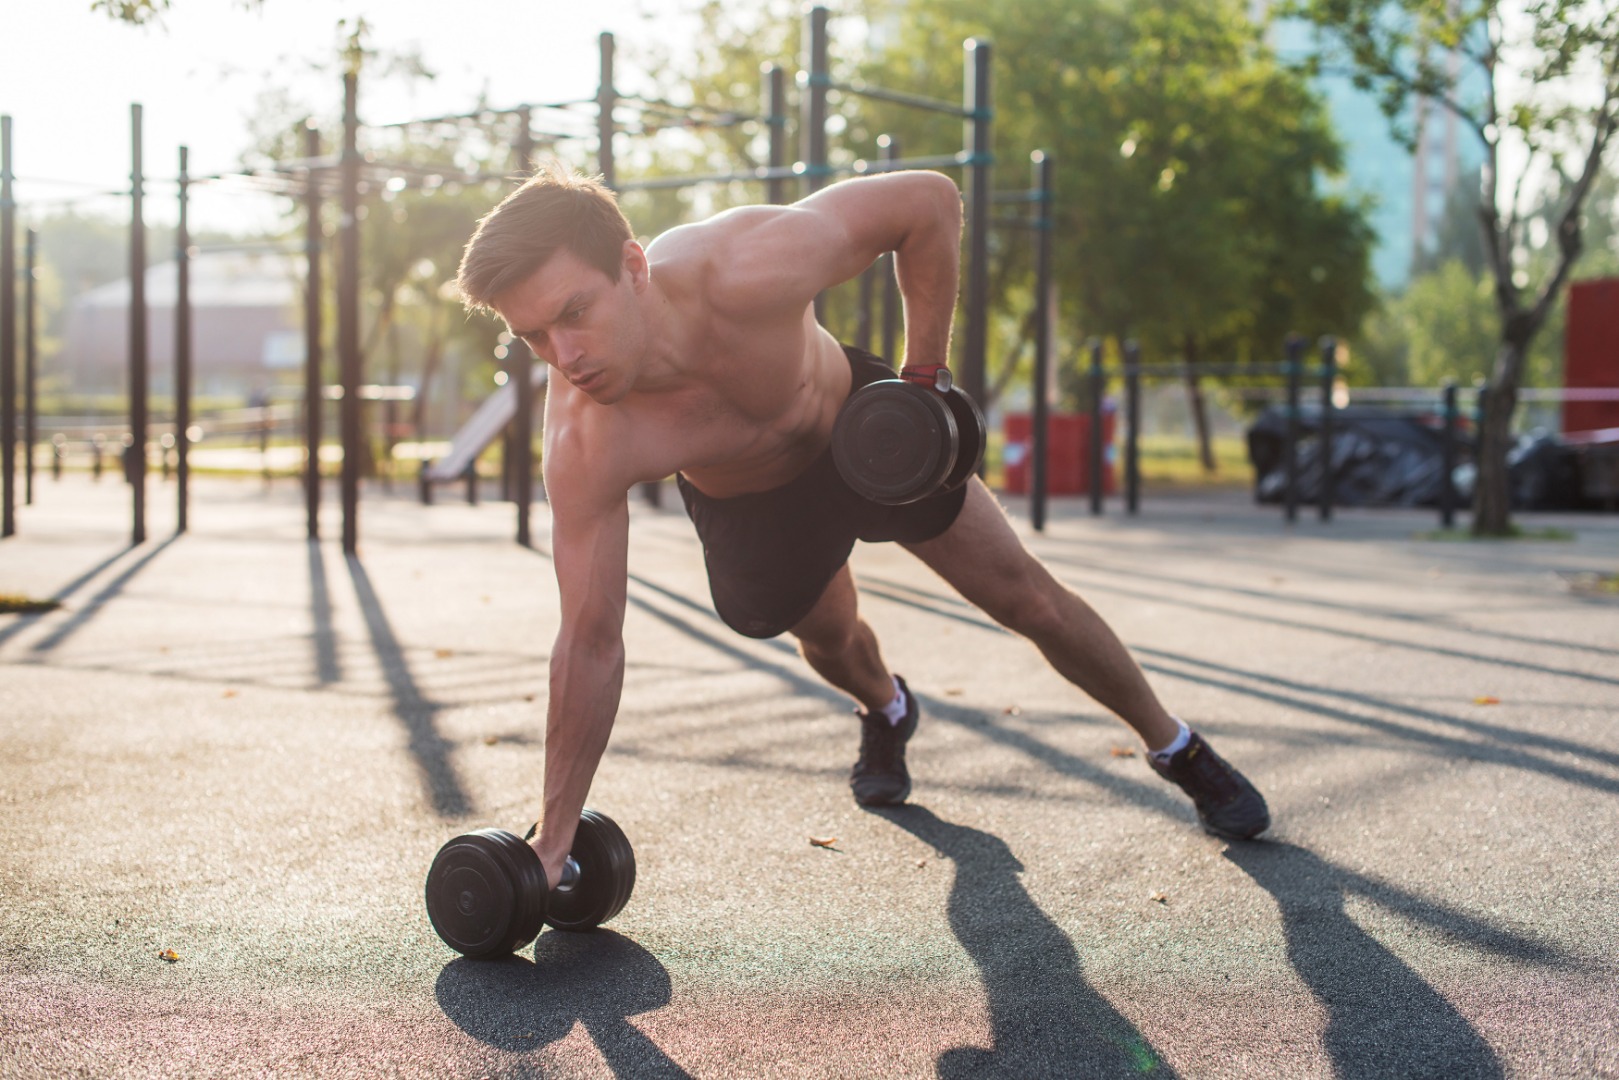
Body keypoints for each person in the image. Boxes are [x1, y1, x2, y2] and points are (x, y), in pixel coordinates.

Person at [456, 163, 1269, 888]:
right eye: (532, 335)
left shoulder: (743, 265)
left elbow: (926, 202)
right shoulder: (586, 440)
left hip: (866, 435)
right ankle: (886, 709)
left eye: (573, 312)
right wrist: (551, 844)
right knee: (833, 640)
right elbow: (591, 639)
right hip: (752, 503)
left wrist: (922, 381)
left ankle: (1178, 748)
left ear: (631, 266)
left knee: (1025, 598)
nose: (563, 355)